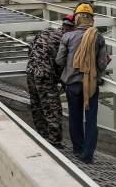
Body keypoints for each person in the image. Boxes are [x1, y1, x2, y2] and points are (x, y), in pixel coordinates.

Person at [56, 3, 109, 164]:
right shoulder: (98, 37)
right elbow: (102, 64)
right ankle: (88, 155)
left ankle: (78, 149)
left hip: (72, 84)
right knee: (91, 120)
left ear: (77, 18)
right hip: (91, 85)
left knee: (75, 117)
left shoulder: (67, 37)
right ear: (91, 19)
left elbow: (59, 60)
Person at [26, 15, 75, 147]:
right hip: (45, 76)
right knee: (53, 108)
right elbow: (62, 62)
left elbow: (30, 49)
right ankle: (55, 142)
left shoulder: (46, 31)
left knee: (37, 105)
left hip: (30, 71)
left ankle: (42, 136)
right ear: (72, 28)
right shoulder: (66, 39)